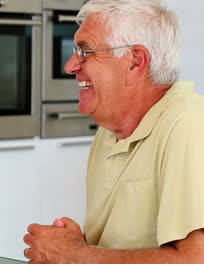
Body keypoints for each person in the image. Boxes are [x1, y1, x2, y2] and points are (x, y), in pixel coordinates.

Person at [23, 0, 204, 263]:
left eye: (86, 51)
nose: (70, 65)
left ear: (135, 62)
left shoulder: (189, 123)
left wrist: (75, 255)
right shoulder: (109, 130)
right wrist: (74, 248)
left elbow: (196, 259)